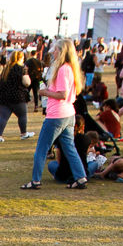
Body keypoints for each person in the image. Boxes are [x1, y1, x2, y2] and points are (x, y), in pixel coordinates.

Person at [24, 40, 89, 190]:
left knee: (42, 148)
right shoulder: (69, 69)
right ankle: (80, 177)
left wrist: (45, 92)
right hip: (68, 114)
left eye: (55, 50)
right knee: (69, 147)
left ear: (61, 52)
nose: (53, 52)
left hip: (57, 115)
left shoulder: (63, 70)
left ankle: (35, 180)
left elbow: (62, 94)